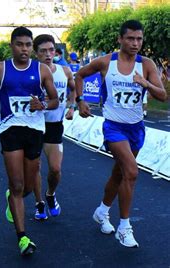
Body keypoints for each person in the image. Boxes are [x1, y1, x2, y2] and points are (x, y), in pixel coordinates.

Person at [75, 20, 167, 248]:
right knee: (132, 172)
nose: (136, 43)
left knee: (119, 174)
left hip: (136, 128)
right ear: (120, 39)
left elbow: (163, 96)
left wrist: (145, 82)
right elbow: (79, 75)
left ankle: (102, 211)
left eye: (139, 39)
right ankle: (125, 228)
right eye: (130, 38)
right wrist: (80, 100)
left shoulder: (146, 64)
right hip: (114, 127)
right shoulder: (106, 62)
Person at [0, 27, 59, 256]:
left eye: (27, 45)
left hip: (35, 129)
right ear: (12, 46)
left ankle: (12, 198)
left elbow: (54, 100)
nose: (24, 49)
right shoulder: (0, 69)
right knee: (16, 184)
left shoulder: (42, 70)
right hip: (10, 127)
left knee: (26, 185)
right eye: (19, 44)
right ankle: (22, 237)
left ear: (31, 47)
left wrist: (43, 104)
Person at [31, 34, 76, 220]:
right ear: (36, 53)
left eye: (51, 50)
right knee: (35, 168)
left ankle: (50, 194)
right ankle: (39, 203)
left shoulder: (64, 71)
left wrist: (72, 105)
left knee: (55, 169)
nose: (48, 54)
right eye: (43, 51)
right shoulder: (30, 72)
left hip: (54, 125)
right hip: (33, 125)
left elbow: (73, 88)